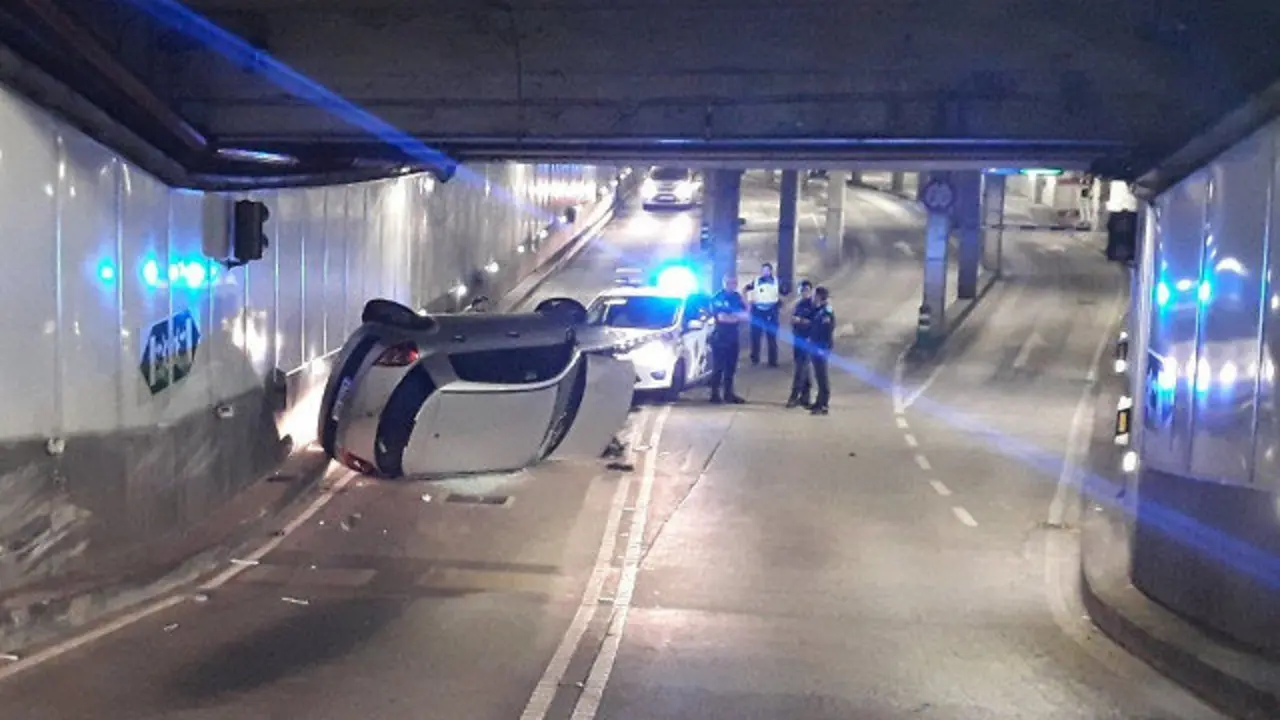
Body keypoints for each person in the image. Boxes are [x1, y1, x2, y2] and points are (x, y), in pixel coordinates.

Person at [708, 272, 748, 404]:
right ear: (724, 283)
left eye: (734, 283)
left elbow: (747, 314)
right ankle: (714, 395)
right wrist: (736, 316)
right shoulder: (718, 298)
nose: (732, 286)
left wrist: (744, 301)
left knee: (731, 368)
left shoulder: (737, 297)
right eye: (729, 283)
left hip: (733, 337)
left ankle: (728, 394)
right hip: (720, 337)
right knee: (718, 367)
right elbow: (722, 318)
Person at [743, 262, 781, 367]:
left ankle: (772, 361)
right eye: (763, 270)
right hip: (757, 311)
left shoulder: (777, 282)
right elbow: (745, 290)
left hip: (771, 311)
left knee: (772, 337)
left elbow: (784, 293)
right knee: (755, 336)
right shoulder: (755, 281)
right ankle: (755, 359)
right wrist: (747, 304)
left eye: (767, 270)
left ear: (771, 271)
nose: (765, 272)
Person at [786, 280, 816, 408]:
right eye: (801, 291)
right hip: (797, 340)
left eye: (806, 290)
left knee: (801, 369)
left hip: (807, 341)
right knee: (804, 369)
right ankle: (805, 397)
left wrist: (801, 321)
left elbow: (815, 324)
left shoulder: (813, 306)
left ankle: (794, 396)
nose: (804, 293)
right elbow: (793, 320)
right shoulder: (799, 305)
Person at [809, 286, 835, 415]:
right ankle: (819, 401)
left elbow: (826, 332)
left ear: (819, 296)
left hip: (821, 348)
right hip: (815, 346)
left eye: (814, 295)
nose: (812, 298)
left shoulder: (826, 312)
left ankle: (824, 404)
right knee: (818, 376)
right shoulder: (819, 310)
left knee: (822, 376)